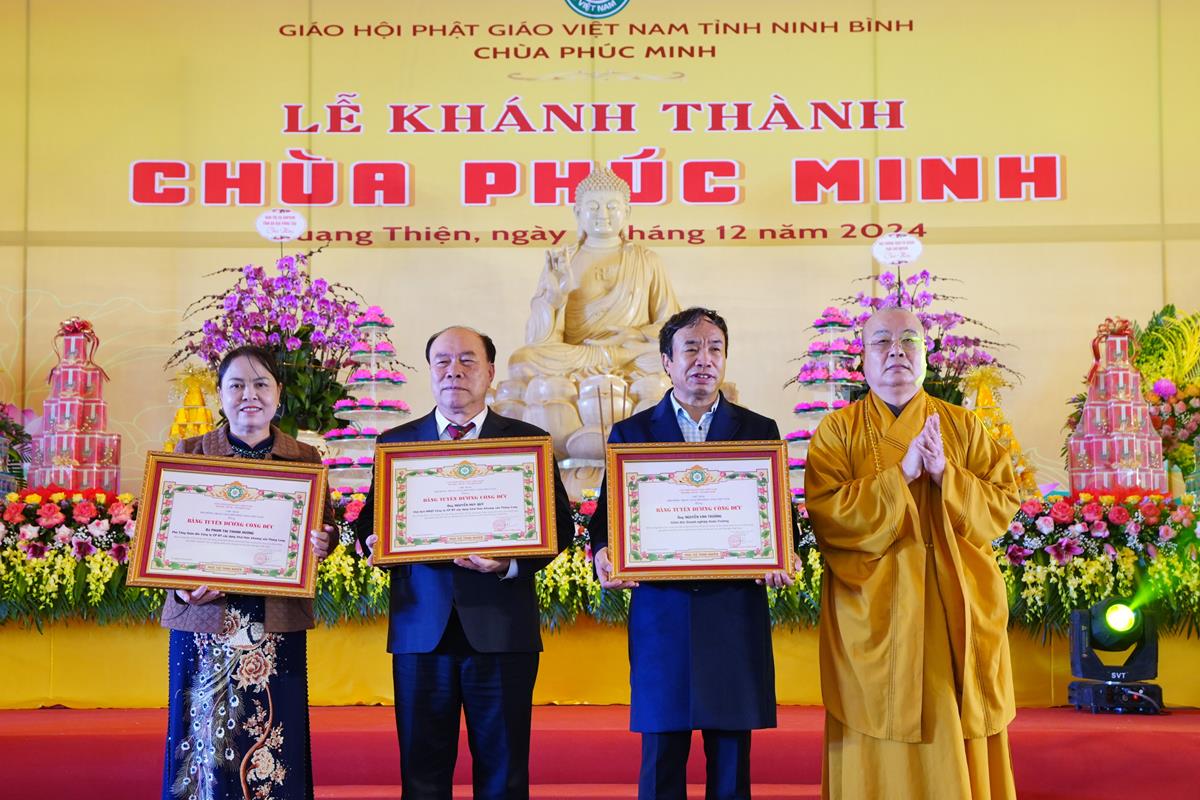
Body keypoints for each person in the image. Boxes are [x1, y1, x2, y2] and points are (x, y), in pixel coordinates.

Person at [804, 307, 1020, 799]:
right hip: (874, 612)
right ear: (862, 359)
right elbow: (826, 515)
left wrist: (947, 474)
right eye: (882, 341)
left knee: (951, 714)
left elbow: (1002, 505)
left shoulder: (963, 426)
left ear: (926, 355)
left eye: (909, 341)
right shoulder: (837, 431)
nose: (896, 352)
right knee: (876, 717)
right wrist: (899, 476)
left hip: (951, 610)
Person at [588, 307, 797, 800]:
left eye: (715, 349)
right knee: (662, 756)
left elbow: (779, 514)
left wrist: (782, 555)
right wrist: (602, 552)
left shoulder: (758, 430)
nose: (704, 359)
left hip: (733, 611)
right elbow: (605, 517)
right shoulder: (632, 433)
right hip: (664, 613)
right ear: (667, 361)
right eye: (691, 348)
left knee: (731, 757)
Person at [356, 326, 574, 800]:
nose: (454, 370)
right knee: (422, 774)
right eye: (443, 361)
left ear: (490, 372)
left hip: (501, 630)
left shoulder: (528, 441)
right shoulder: (397, 443)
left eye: (467, 360)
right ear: (430, 371)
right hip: (421, 631)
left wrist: (507, 563)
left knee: (503, 773)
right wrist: (368, 543)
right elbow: (369, 522)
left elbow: (561, 527)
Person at [161, 345, 334, 800]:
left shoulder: (305, 458)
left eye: (261, 384)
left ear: (279, 393)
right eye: (236, 385)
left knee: (275, 733)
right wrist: (183, 590)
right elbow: (167, 539)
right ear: (220, 395)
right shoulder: (191, 452)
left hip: (274, 618)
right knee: (204, 738)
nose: (249, 395)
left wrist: (325, 541)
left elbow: (325, 527)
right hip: (206, 620)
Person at [508, 166, 680, 382]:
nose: (603, 214)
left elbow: (673, 328)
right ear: (577, 212)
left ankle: (601, 373)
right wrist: (554, 298)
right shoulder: (563, 261)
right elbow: (539, 340)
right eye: (593, 206)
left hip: (630, 354)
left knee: (675, 358)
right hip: (580, 355)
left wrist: (638, 334)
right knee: (522, 360)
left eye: (612, 207)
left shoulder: (647, 260)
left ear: (627, 212)